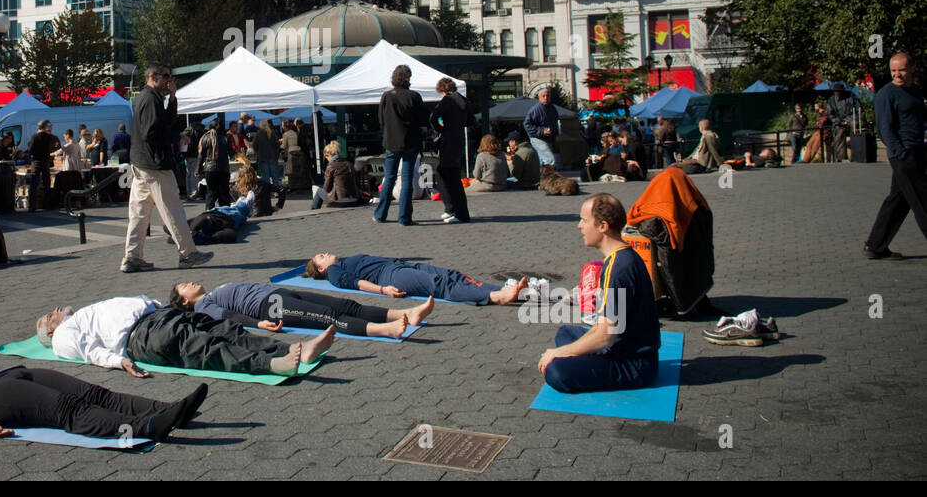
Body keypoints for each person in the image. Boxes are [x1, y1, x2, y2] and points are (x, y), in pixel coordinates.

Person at [0, 353, 205, 443]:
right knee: (70, 410)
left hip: (10, 374)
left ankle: (172, 411)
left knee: (95, 392)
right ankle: (149, 426)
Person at [35, 295, 334, 378]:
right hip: (142, 335)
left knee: (227, 330)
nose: (55, 310)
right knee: (206, 347)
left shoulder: (79, 316)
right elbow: (89, 351)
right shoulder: (62, 336)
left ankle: (295, 348)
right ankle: (269, 365)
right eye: (50, 315)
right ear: (51, 329)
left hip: (158, 315)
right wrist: (118, 362)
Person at [539, 194, 660, 393]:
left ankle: (581, 359)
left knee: (556, 371)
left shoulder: (619, 269)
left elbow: (606, 336)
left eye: (584, 221)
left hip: (634, 364)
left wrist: (558, 353)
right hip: (625, 345)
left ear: (602, 226)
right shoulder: (621, 257)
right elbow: (605, 324)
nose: (579, 226)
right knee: (565, 333)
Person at [123, 62, 211, 273]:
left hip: (141, 163)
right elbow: (153, 132)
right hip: (155, 164)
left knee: (139, 213)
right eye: (166, 77)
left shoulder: (145, 98)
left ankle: (132, 257)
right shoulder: (150, 99)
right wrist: (176, 137)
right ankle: (188, 253)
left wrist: (172, 99)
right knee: (172, 209)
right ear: (153, 77)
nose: (169, 81)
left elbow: (164, 123)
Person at [170, 280, 434, 339]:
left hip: (279, 294)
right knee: (329, 318)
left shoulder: (212, 292)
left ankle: (404, 314)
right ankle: (384, 330)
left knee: (344, 305)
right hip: (270, 307)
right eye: (184, 286)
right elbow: (226, 317)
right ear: (184, 302)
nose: (190, 283)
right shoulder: (204, 305)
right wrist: (256, 323)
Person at [864, 51, 927, 261]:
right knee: (922, 200)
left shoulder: (916, 92)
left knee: (898, 201)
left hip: (918, 150)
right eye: (893, 70)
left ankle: (875, 245)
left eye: (901, 69)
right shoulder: (886, 94)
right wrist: (899, 153)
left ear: (912, 69)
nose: (897, 74)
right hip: (903, 155)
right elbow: (885, 128)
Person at [305, 253, 527, 306]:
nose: (325, 252)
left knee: (451, 275)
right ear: (322, 268)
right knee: (440, 285)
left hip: (399, 266)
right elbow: (356, 284)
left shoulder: (340, 263)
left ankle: (506, 289)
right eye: (321, 256)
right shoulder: (334, 273)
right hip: (391, 276)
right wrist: (383, 290)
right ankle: (496, 296)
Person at [375, 65, 428, 226]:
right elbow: (422, 119)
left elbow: (381, 120)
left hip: (391, 142)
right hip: (411, 141)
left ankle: (380, 214)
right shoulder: (414, 96)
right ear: (408, 78)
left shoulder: (387, 96)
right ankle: (404, 217)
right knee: (407, 180)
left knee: (389, 179)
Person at [430, 77, 470, 224]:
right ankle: (453, 209)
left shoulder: (446, 101)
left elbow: (434, 119)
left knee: (449, 177)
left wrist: (443, 128)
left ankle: (458, 212)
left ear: (441, 90)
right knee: (451, 175)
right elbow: (471, 121)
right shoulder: (464, 101)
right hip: (459, 141)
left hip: (448, 142)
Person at [179, 190, 256, 244]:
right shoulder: (206, 234)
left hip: (214, 212)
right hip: (228, 217)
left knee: (236, 210)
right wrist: (209, 238)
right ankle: (245, 205)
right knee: (239, 211)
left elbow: (170, 230)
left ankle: (242, 205)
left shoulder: (189, 228)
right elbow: (231, 235)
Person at [312, 143, 365, 209]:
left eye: (326, 156)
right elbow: (357, 183)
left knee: (319, 191)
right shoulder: (349, 164)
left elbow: (326, 188)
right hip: (354, 200)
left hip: (338, 201)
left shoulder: (331, 166)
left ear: (329, 155)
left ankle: (313, 210)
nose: (326, 158)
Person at [195, 119, 232, 210]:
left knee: (211, 192)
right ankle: (225, 213)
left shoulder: (205, 137)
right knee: (224, 193)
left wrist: (197, 169)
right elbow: (232, 153)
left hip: (209, 169)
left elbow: (201, 155)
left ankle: (209, 213)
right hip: (223, 169)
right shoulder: (226, 138)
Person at [26, 120, 60, 212]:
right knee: (47, 184)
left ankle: (32, 206)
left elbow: (30, 150)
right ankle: (49, 205)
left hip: (36, 162)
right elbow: (56, 146)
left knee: (34, 185)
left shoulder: (35, 136)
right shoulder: (51, 137)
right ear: (45, 127)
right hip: (46, 162)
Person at [524, 88, 561, 166]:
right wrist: (541, 131)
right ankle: (550, 178)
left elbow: (555, 122)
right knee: (550, 160)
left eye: (547, 96)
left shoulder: (552, 108)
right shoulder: (535, 109)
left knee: (542, 162)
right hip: (538, 138)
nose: (546, 98)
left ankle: (541, 177)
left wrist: (556, 133)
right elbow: (527, 125)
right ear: (539, 97)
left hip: (549, 138)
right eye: (543, 96)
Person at [252, 119, 281, 186]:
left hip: (263, 158)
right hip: (273, 157)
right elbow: (277, 145)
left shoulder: (258, 134)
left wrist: (258, 152)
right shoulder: (273, 133)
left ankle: (267, 192)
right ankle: (276, 191)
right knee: (275, 176)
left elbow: (254, 146)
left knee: (265, 177)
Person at [828, 89, 854, 161]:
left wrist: (848, 120)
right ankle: (840, 156)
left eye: (839, 91)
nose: (837, 93)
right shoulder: (832, 100)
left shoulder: (850, 97)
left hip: (849, 119)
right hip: (838, 122)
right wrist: (838, 121)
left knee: (855, 130)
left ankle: (854, 154)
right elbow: (830, 114)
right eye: (836, 92)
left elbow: (854, 110)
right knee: (839, 134)